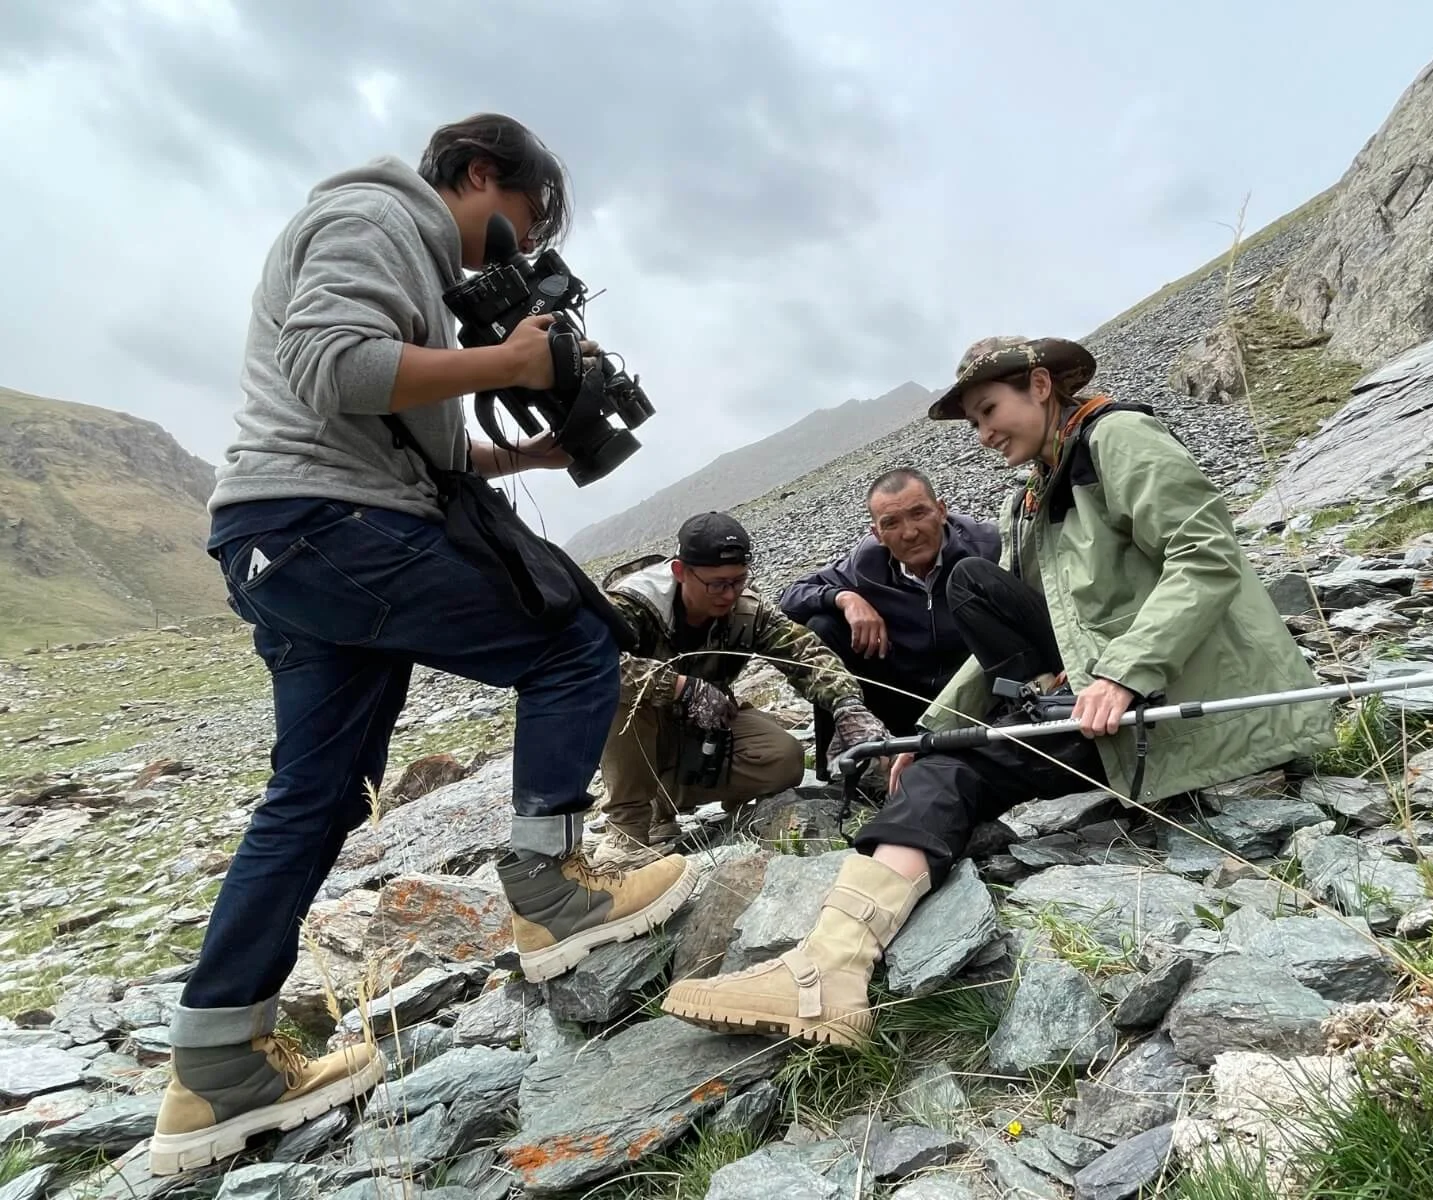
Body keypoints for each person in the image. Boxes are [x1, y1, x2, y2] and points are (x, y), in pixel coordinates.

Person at [150, 115, 695, 1177]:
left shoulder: (406, 259)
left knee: (313, 795)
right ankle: (552, 894)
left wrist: (514, 449)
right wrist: (507, 355)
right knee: (576, 638)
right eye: (517, 227)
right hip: (331, 527)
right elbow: (331, 368)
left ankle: (217, 1062)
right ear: (480, 175)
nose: (513, 257)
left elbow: (395, 423)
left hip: (288, 538)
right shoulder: (377, 215)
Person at [661, 335, 1336, 1048]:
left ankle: (825, 969)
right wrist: (930, 732)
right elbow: (1001, 640)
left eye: (989, 412)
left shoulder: (1120, 439)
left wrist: (1122, 671)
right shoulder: (1033, 495)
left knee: (965, 616)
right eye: (974, 423)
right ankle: (828, 971)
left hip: (1162, 697)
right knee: (947, 756)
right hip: (1096, 703)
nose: (984, 435)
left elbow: (1206, 556)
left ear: (1040, 385)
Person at [590, 511, 893, 868]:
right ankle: (628, 830)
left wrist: (847, 705)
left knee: (784, 759)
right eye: (717, 584)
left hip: (704, 728)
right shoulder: (633, 604)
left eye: (738, 581)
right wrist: (679, 686)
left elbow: (803, 651)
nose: (729, 594)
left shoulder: (745, 610)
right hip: (639, 733)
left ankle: (665, 799)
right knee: (620, 698)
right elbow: (593, 665)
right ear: (680, 572)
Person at [778, 467, 1000, 779]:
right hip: (902, 699)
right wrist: (845, 598)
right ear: (877, 534)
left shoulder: (987, 547)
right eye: (891, 523)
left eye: (919, 513)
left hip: (979, 696)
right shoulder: (866, 564)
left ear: (942, 510)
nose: (909, 532)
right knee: (823, 625)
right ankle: (846, 769)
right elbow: (790, 596)